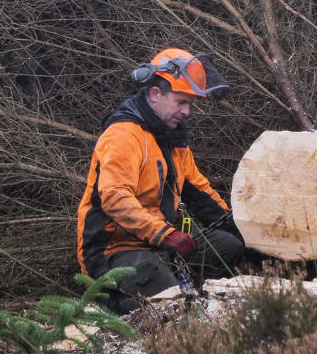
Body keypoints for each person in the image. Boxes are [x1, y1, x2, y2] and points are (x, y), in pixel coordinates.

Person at [76, 47, 245, 313]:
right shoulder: (123, 135)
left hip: (158, 241)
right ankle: (117, 303)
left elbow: (199, 191)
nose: (187, 111)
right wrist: (166, 235)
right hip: (114, 249)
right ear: (156, 94)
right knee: (165, 294)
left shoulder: (172, 141)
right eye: (181, 102)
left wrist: (242, 229)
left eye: (190, 103)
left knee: (229, 246)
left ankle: (197, 299)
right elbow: (115, 198)